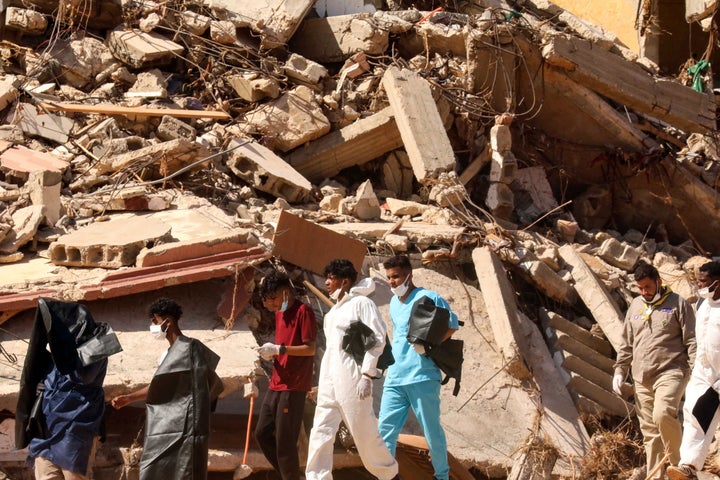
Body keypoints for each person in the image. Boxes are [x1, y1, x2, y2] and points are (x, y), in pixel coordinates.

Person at [305, 259, 400, 480]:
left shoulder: (361, 304)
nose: (326, 282)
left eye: (331, 278)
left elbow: (377, 339)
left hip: (352, 379)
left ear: (345, 281)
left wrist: (367, 374)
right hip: (331, 382)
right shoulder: (332, 314)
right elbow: (331, 352)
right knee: (320, 433)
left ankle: (389, 476)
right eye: (326, 277)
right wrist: (324, 382)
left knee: (364, 433)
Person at [111, 298, 223, 480]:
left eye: (154, 321)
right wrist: (130, 398)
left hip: (188, 428)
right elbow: (159, 387)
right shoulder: (167, 355)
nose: (152, 326)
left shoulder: (191, 349)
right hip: (164, 425)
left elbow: (204, 388)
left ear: (167, 321)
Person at [16, 298, 122, 480]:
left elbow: (81, 376)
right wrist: (39, 386)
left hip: (75, 429)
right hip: (46, 432)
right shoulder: (53, 356)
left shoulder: (95, 349)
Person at [378, 254, 459, 480]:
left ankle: (441, 476)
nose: (392, 282)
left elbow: (452, 324)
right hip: (395, 376)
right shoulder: (394, 303)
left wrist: (431, 344)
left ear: (409, 276)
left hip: (422, 375)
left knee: (431, 431)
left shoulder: (428, 297)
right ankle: (386, 475)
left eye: (396, 277)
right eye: (389, 278)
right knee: (385, 430)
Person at [613, 262, 696, 480]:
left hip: (671, 371)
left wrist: (696, 371)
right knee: (650, 432)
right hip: (641, 377)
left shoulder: (678, 304)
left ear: (659, 281)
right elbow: (626, 342)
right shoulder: (635, 306)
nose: (644, 292)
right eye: (640, 288)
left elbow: (692, 341)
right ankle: (655, 476)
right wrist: (620, 370)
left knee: (663, 414)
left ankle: (681, 468)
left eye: (647, 287)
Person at [254, 271, 317, 480]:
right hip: (277, 382)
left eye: (273, 298)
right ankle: (289, 476)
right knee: (262, 433)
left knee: (285, 442)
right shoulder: (280, 313)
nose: (270, 304)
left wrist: (279, 350)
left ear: (285, 292)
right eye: (267, 300)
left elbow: (309, 349)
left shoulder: (303, 311)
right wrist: (273, 354)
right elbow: (284, 346)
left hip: (294, 385)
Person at [667, 261, 720, 480]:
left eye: (704, 281)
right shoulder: (702, 304)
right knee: (693, 413)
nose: (700, 285)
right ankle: (688, 466)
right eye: (698, 280)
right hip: (704, 371)